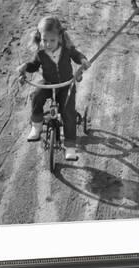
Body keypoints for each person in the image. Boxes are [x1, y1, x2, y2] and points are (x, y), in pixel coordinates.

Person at [17, 16, 90, 161]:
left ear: (60, 38)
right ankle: (37, 125)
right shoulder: (41, 53)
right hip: (49, 83)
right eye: (45, 40)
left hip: (65, 85)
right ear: (40, 38)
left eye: (52, 40)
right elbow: (33, 65)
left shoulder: (67, 49)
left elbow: (77, 55)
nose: (48, 44)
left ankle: (69, 146)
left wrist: (83, 60)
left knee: (68, 112)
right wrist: (25, 67)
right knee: (36, 96)